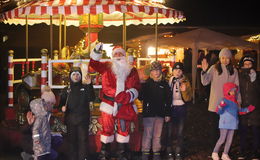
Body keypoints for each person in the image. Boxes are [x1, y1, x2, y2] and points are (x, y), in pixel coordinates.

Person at [89, 43, 140, 160]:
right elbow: (93, 64)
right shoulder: (107, 66)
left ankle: (122, 154)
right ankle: (104, 153)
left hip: (125, 105)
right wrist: (96, 52)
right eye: (116, 54)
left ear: (124, 56)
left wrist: (130, 95)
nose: (118, 56)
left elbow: (136, 86)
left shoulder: (131, 70)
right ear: (112, 56)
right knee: (107, 129)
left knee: (123, 129)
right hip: (109, 104)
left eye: (120, 54)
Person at [201, 48, 240, 152]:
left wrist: (238, 102)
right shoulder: (214, 68)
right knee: (214, 128)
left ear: (230, 59)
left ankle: (224, 149)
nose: (225, 60)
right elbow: (205, 82)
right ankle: (213, 149)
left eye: (227, 58)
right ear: (219, 58)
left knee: (225, 128)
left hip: (228, 106)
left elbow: (237, 87)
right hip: (215, 105)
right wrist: (204, 71)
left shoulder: (234, 71)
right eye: (223, 57)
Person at [211, 82, 255, 160]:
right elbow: (218, 111)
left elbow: (239, 111)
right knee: (222, 139)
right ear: (227, 91)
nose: (233, 92)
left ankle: (225, 154)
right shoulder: (223, 100)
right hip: (224, 123)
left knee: (229, 140)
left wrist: (248, 109)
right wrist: (221, 106)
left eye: (234, 90)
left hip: (233, 123)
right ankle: (215, 152)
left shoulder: (235, 102)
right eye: (231, 90)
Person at [59, 67, 95, 160]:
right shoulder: (66, 89)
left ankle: (83, 158)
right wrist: (62, 108)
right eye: (73, 74)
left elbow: (91, 97)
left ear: (81, 76)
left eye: (78, 75)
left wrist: (89, 85)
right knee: (71, 141)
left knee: (83, 141)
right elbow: (61, 104)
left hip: (83, 119)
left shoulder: (85, 87)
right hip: (70, 119)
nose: (75, 77)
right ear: (70, 76)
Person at [138, 61, 172, 160]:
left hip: (160, 114)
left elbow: (168, 100)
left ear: (161, 71)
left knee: (157, 135)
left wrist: (167, 113)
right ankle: (145, 154)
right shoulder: (147, 83)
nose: (156, 72)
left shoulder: (164, 84)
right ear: (151, 72)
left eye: (158, 70)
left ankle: (156, 153)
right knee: (148, 134)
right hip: (149, 113)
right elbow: (140, 97)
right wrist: (141, 86)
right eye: (154, 70)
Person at [166, 62, 192, 160]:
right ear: (172, 71)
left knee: (180, 131)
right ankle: (169, 151)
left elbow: (189, 98)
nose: (177, 72)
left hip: (181, 108)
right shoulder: (168, 79)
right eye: (176, 70)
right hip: (171, 108)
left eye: (180, 70)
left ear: (182, 72)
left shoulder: (186, 81)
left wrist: (184, 90)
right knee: (169, 131)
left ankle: (178, 151)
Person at [237, 55, 260, 160]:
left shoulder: (257, 77)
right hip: (243, 108)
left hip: (255, 108)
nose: (247, 66)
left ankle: (255, 152)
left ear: (253, 65)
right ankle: (242, 151)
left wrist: (254, 79)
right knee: (243, 130)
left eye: (250, 64)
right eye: (245, 64)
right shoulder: (240, 76)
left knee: (256, 130)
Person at [30, 86, 56, 160]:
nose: (50, 105)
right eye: (48, 103)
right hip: (39, 143)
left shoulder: (50, 115)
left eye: (52, 103)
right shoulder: (39, 116)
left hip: (46, 141)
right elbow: (35, 130)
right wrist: (37, 139)